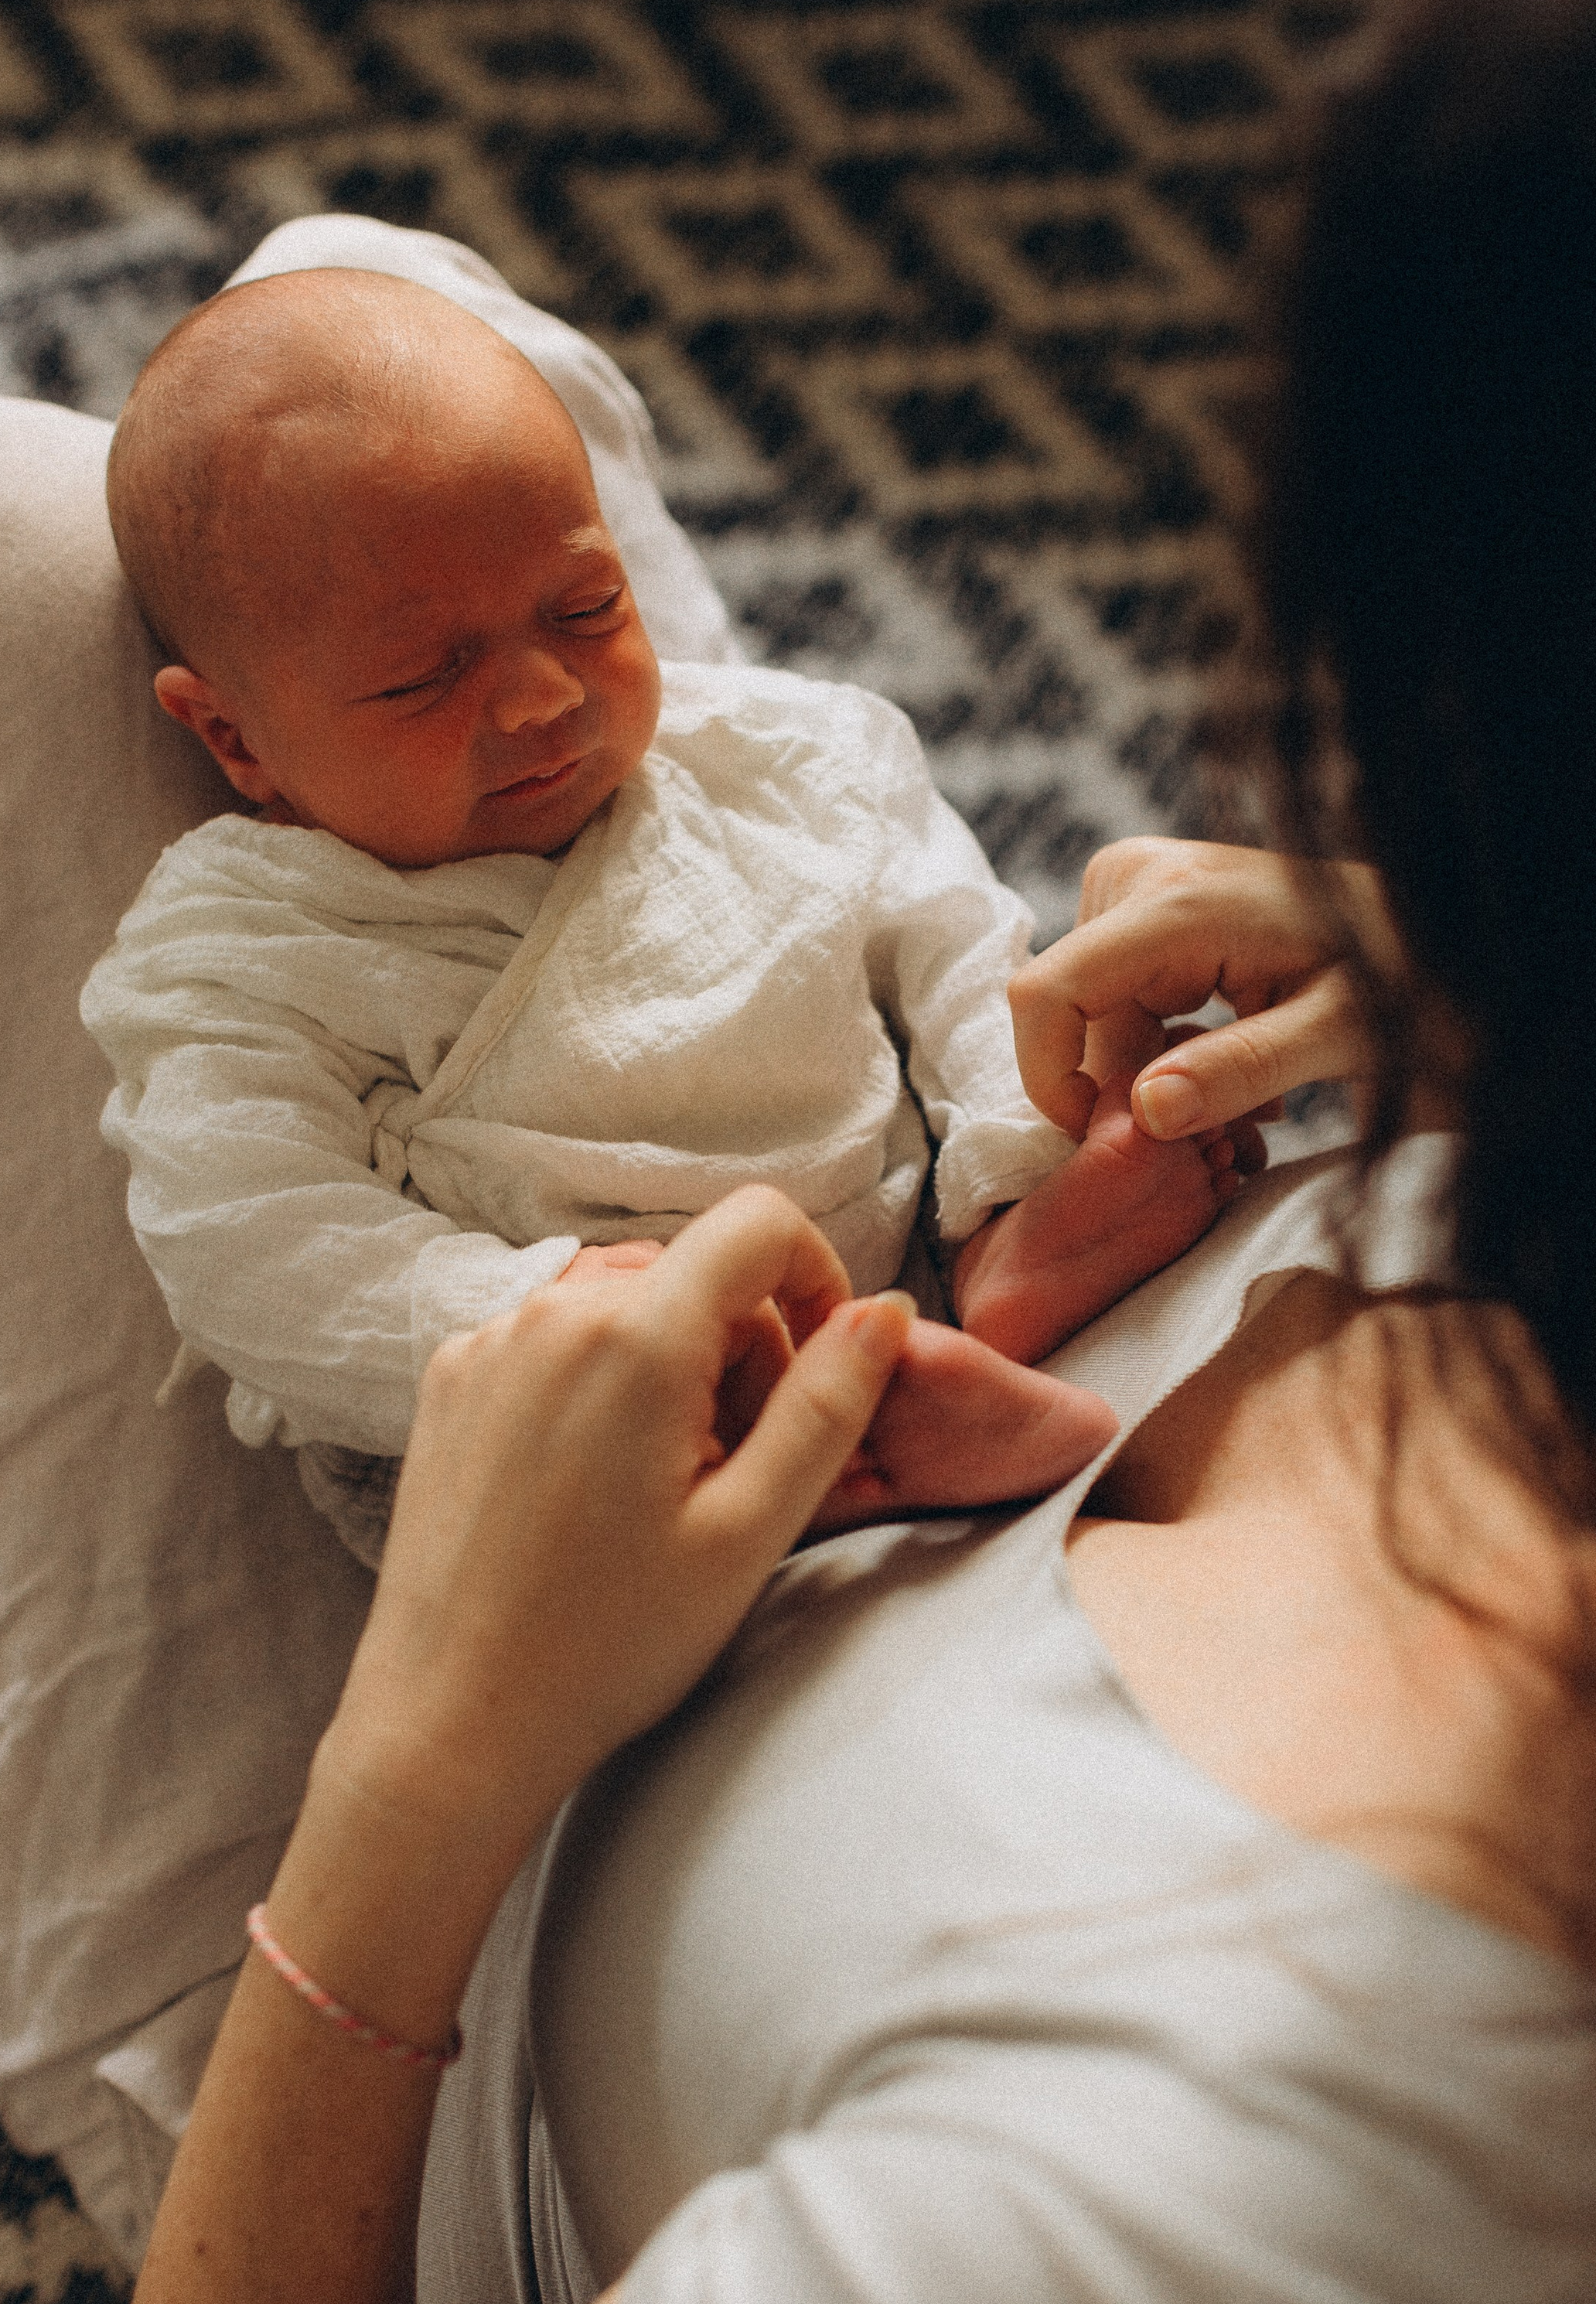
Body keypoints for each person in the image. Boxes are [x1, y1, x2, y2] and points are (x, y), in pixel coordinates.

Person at [0, 0, 1596, 2304]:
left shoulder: (1177, 2265)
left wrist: (446, 1740)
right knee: (388, 340)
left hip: (419, 1863)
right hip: (786, 1253)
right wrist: (1462, 983)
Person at [80, 266, 1235, 1562]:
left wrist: (1024, 1142)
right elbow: (242, 1232)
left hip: (908, 1231)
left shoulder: (766, 754)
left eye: (587, 609)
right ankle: (838, 1425)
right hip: (586, 1418)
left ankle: (1008, 1264)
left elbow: (956, 943)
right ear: (235, 738)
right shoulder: (247, 948)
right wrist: (548, 1305)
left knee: (1032, 1045)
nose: (539, 699)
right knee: (538, 1468)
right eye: (424, 677)